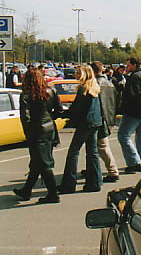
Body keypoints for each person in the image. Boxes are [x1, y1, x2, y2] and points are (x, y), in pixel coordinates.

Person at [13, 68, 63, 203]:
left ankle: (53, 194)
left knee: (43, 163)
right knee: (37, 162)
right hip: (50, 129)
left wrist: (28, 133)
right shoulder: (51, 90)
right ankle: (26, 190)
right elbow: (59, 110)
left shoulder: (26, 95)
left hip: (36, 131)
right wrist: (48, 119)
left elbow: (25, 117)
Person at [58, 65, 104, 193]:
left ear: (84, 74)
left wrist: (63, 114)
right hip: (95, 122)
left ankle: (69, 184)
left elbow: (77, 109)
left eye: (78, 72)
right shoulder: (94, 88)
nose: (75, 75)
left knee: (73, 152)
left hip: (86, 124)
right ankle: (95, 182)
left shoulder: (83, 88)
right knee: (92, 153)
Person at [118, 57, 141, 173]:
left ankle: (134, 162)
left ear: (133, 65)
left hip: (134, 112)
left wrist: (122, 108)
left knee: (123, 135)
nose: (126, 67)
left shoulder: (134, 77)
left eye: (128, 65)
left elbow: (131, 96)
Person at [91, 61, 121, 183]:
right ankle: (93, 168)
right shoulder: (110, 84)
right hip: (109, 118)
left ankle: (113, 171)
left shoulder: (95, 84)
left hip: (100, 119)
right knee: (97, 146)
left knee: (101, 147)